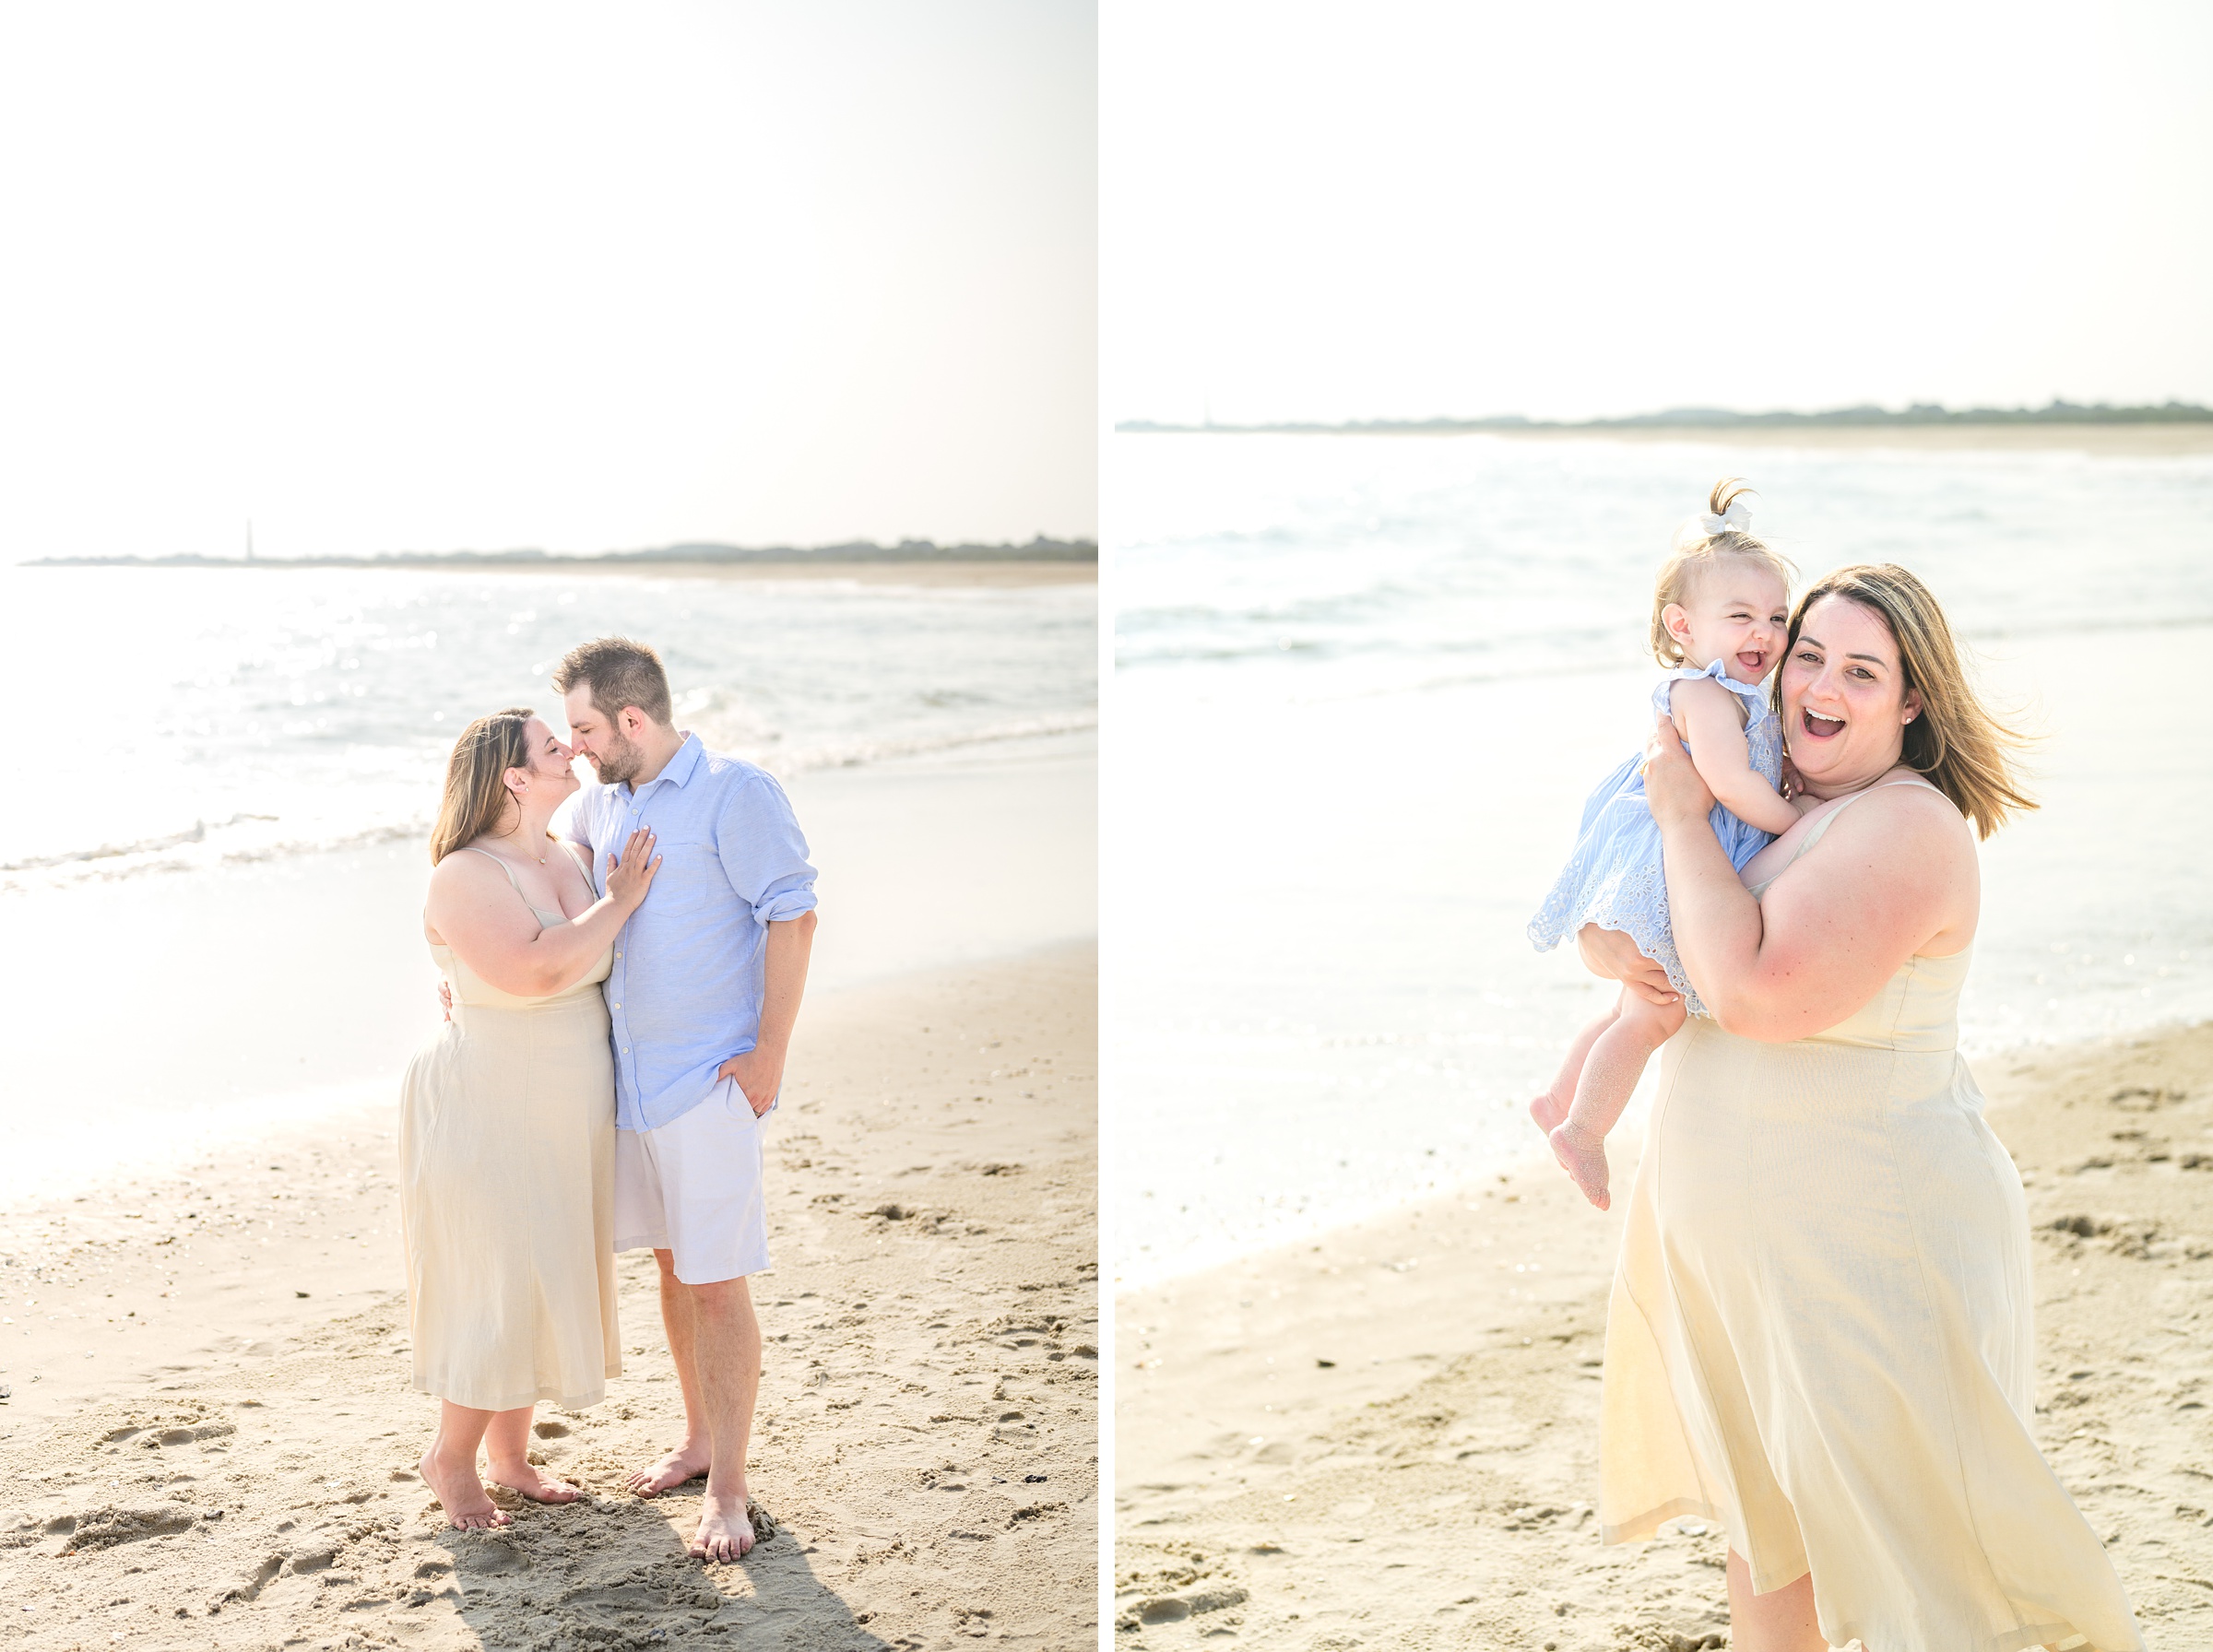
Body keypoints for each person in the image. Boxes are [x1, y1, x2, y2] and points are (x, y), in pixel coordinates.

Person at [1584, 565, 2143, 1651]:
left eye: (1862, 669)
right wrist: (1643, 898)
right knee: (1774, 1532)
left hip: (1870, 1248)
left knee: (1931, 1555)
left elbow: (1750, 991)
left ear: (1910, 699)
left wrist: (1680, 812)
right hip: (1750, 1258)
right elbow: (1636, 944)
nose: (1822, 684)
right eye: (1808, 655)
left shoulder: (1904, 825)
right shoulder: (1785, 813)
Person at [553, 636, 819, 1564]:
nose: (574, 743)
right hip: (634, 1086)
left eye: (584, 726)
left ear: (632, 719)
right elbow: (553, 884)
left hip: (709, 1082)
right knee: (674, 1267)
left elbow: (794, 911)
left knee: (715, 1281)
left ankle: (734, 1488)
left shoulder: (736, 793)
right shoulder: (600, 798)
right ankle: (701, 1440)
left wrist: (768, 1055)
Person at [401, 708, 661, 1529]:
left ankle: (509, 1458)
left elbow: (593, 963)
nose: (572, 750)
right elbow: (536, 971)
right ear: (514, 778)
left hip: (566, 1097)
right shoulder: (464, 873)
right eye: (554, 747)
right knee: (498, 1281)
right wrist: (619, 903)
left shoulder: (566, 855)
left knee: (541, 1270)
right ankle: (450, 1458)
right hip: (491, 1099)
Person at [1527, 479, 1800, 1209]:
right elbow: (1730, 783)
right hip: (1665, 867)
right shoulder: (1703, 695)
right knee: (1657, 1011)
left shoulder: (1737, 695)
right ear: (1682, 626)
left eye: (1776, 617)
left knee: (1635, 999)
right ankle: (1584, 1129)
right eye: (1739, 615)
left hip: (1680, 861)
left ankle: (1560, 1097)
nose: (1763, 633)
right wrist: (1800, 826)